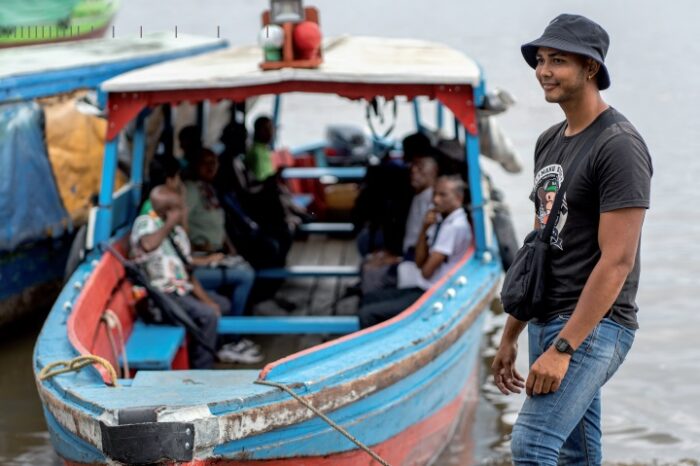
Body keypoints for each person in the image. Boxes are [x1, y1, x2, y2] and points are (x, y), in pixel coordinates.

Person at [491, 14, 652, 465]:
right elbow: (541, 244)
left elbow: (618, 261)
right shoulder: (550, 140)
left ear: (590, 69)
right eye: (541, 60)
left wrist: (564, 348)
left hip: (595, 326)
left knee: (532, 443)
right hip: (546, 316)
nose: (543, 71)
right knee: (575, 455)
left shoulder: (619, 146)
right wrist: (511, 334)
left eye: (558, 60)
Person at [130, 186, 226, 369]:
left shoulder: (178, 234)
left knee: (221, 305)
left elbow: (188, 273)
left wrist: (209, 301)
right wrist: (169, 224)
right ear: (170, 212)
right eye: (181, 208)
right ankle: (202, 371)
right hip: (161, 297)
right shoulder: (146, 223)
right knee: (207, 317)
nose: (185, 211)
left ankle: (212, 349)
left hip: (182, 292)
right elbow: (148, 245)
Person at [358, 175, 472, 328]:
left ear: (458, 198)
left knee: (368, 313)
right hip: (425, 286)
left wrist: (426, 256)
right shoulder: (442, 221)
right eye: (435, 194)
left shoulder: (454, 227)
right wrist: (424, 228)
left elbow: (426, 272)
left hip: (433, 293)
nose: (436, 200)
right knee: (369, 298)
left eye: (442, 195)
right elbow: (419, 262)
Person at [359, 154, 439, 294]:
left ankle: (377, 310)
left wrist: (397, 259)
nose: (414, 172)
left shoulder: (431, 202)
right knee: (368, 259)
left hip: (414, 261)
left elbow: (426, 245)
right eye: (413, 168)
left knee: (371, 272)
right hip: (405, 254)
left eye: (420, 169)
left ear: (433, 172)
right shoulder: (418, 195)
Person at [245, 116, 275, 182]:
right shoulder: (257, 153)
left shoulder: (264, 149)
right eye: (267, 128)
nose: (271, 132)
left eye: (271, 128)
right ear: (259, 131)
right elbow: (262, 182)